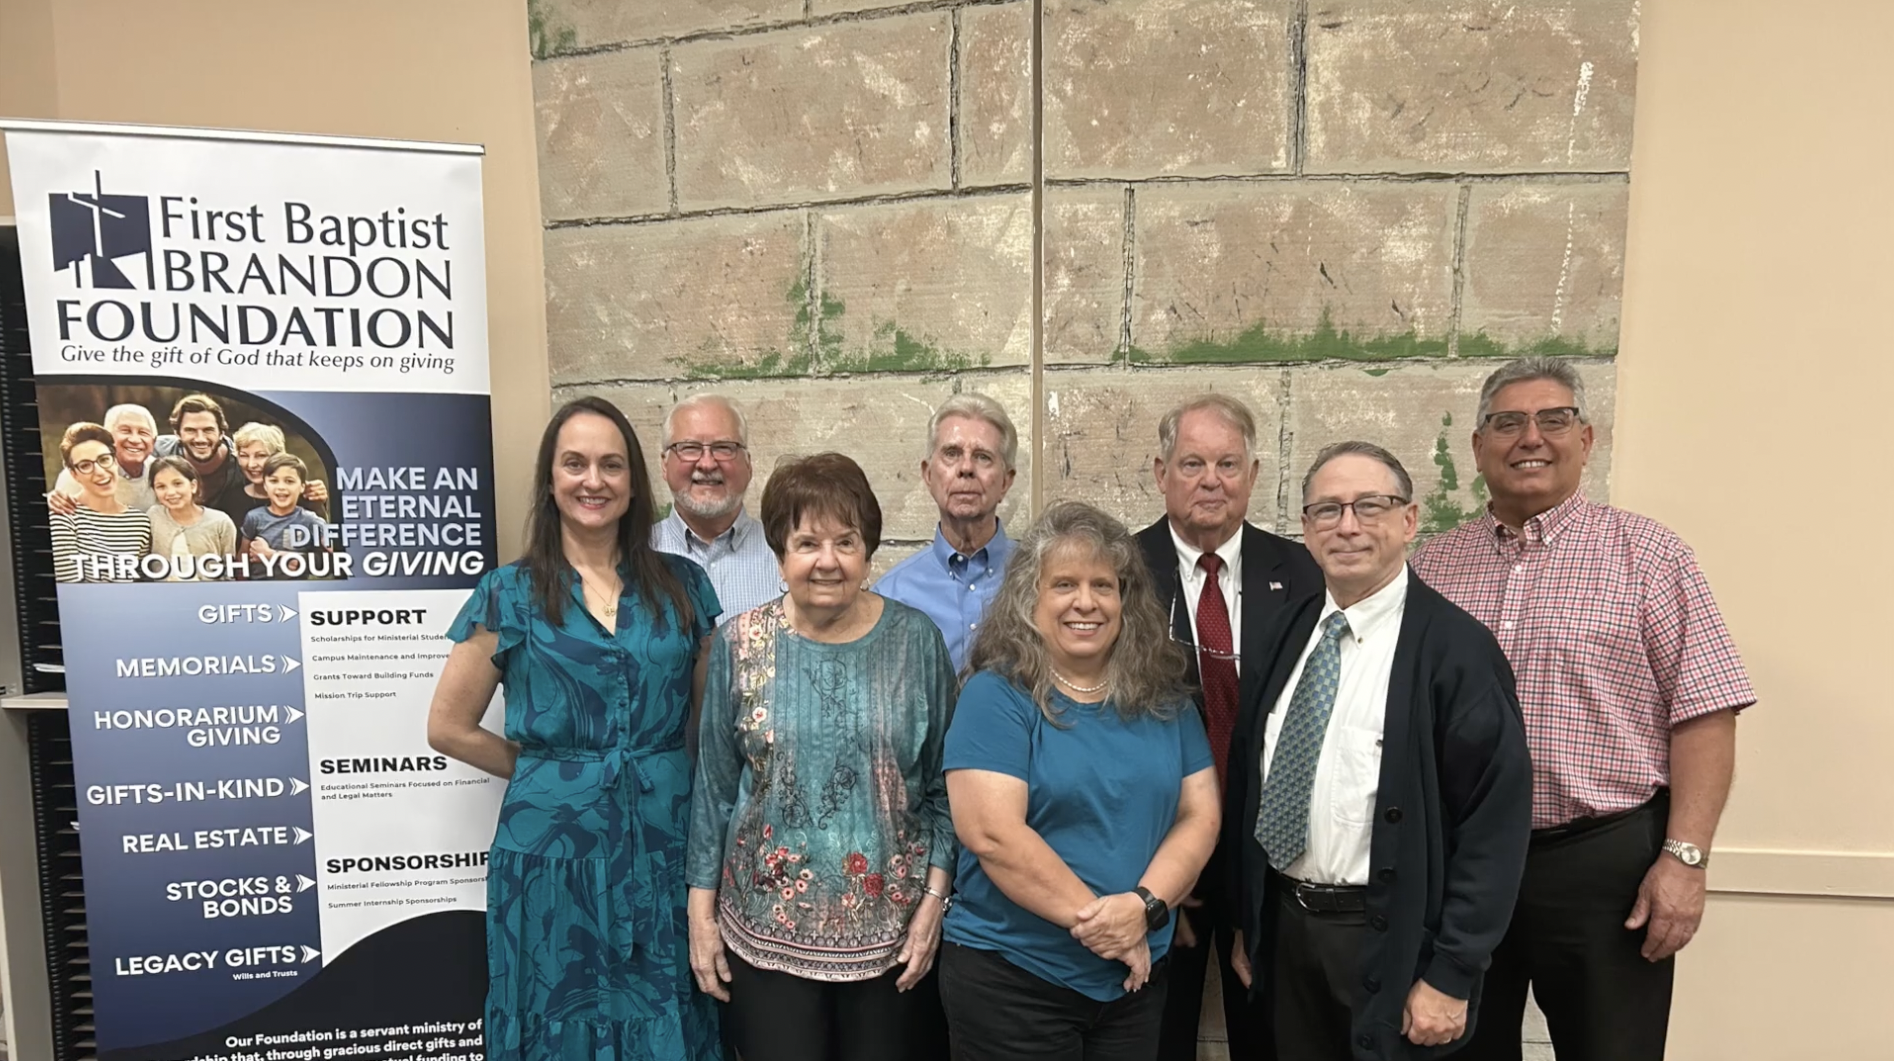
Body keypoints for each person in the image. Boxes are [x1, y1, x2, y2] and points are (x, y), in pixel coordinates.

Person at [1411, 357, 1756, 1061]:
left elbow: (1706, 712)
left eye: (1554, 419)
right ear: (1477, 446)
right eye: (1507, 423)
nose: (1530, 438)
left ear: (1587, 439)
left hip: (1603, 865)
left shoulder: (1650, 556)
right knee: (1451, 1047)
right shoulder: (1431, 568)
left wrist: (1685, 859)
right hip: (1462, 865)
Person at [427, 396, 722, 1061]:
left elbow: (708, 731)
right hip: (549, 854)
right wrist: (549, 771)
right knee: (554, 1012)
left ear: (634, 481)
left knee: (667, 1002)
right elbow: (447, 726)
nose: (594, 480)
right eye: (575, 463)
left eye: (611, 465)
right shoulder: (508, 592)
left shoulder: (684, 585)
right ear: (551, 479)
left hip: (664, 843)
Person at [1227, 442, 1531, 1060]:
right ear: (1306, 529)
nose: (1347, 526)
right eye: (1328, 509)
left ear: (1409, 520)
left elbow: (1493, 827)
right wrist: (1249, 922)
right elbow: (1248, 784)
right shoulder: (1284, 634)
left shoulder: (1457, 653)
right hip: (1287, 934)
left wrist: (1453, 973)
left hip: (1392, 944)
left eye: (1370, 505)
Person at [686, 452, 956, 1061]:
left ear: (868, 551)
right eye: (807, 543)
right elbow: (715, 790)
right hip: (763, 941)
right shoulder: (739, 643)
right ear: (780, 554)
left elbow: (945, 787)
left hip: (894, 943)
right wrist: (700, 917)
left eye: (846, 541)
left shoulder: (916, 641)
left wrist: (934, 903)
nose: (827, 561)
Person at [939, 500, 1220, 1061]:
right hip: (1015, 979)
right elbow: (992, 835)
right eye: (1063, 584)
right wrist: (1111, 931)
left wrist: (1143, 909)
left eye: (1103, 586)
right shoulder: (996, 695)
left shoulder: (1165, 698)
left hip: (1134, 982)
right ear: (1030, 599)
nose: (1085, 602)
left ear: (1125, 600)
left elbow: (1200, 815)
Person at [1135, 393, 1322, 1061]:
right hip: (1158, 854)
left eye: (1227, 463)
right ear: (1161, 473)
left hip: (1271, 856)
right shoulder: (1120, 574)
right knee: (1157, 1038)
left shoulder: (1304, 573)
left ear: (1254, 473)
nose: (1211, 480)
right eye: (1192, 463)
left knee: (1268, 1035)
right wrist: (1154, 872)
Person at [875, 393, 1020, 673]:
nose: (966, 468)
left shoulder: (1039, 580)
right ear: (928, 475)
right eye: (951, 454)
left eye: (983, 457)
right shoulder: (891, 598)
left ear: (1006, 481)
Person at [651, 395, 782, 618]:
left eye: (723, 448)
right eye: (689, 448)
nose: (707, 464)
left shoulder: (785, 555)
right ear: (664, 464)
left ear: (748, 464)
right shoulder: (634, 555)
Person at [156, 394, 324, 523]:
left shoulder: (240, 464)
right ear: (177, 433)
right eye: (191, 430)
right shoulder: (158, 453)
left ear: (222, 433)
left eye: (208, 430)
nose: (200, 439)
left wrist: (313, 494)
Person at [50, 422, 151, 583]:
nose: (99, 472)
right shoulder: (63, 518)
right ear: (74, 474)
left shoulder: (140, 522)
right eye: (85, 465)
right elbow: (70, 589)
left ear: (115, 461)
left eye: (104, 459)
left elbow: (137, 584)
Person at [146, 456, 238, 581]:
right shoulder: (153, 516)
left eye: (177, 484)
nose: (170, 492)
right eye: (161, 486)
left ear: (193, 486)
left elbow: (228, 571)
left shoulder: (220, 522)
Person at [51, 403, 158, 512]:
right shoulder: (81, 472)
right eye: (125, 431)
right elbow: (58, 506)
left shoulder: (159, 471)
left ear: (153, 441)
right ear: (108, 438)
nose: (134, 440)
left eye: (143, 433)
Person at [239, 454, 330, 579]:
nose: (281, 487)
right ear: (265, 485)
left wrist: (271, 555)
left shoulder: (311, 521)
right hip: (258, 587)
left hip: (296, 588)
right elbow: (242, 559)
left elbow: (331, 558)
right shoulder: (254, 517)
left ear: (302, 487)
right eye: (274, 481)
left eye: (289, 481)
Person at [232, 421, 330, 519]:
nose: (251, 464)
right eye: (244, 456)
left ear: (278, 456)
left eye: (261, 455)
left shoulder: (303, 495)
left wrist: (319, 503)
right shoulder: (231, 499)